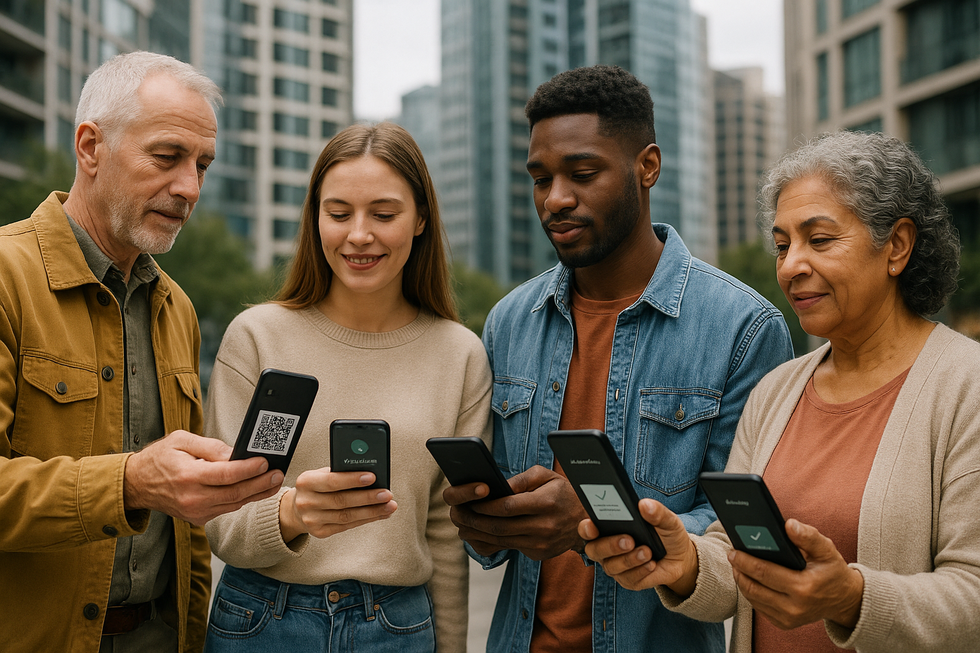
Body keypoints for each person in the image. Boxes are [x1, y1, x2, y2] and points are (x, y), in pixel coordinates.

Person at [584, 130, 980, 652]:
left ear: (898, 246)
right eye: (782, 245)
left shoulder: (965, 387)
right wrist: (685, 563)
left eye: (819, 240)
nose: (791, 265)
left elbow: (972, 594)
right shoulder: (776, 391)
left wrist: (850, 599)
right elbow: (738, 558)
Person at [443, 65, 794, 653]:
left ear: (647, 166)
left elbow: (746, 530)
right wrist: (485, 520)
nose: (555, 199)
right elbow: (496, 527)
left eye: (582, 173)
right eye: (539, 179)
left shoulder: (744, 328)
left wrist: (598, 519)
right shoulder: (508, 321)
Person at [0, 52, 285, 653]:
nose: (189, 187)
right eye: (167, 157)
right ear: (89, 147)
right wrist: (132, 481)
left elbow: (190, 535)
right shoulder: (6, 278)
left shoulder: (175, 308)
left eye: (202, 165)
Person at [203, 122, 493, 653]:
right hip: (262, 621)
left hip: (400, 629)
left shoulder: (460, 355)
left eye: (383, 214)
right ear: (315, 220)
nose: (359, 234)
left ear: (422, 218)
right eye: (338, 214)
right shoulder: (257, 338)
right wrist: (292, 514)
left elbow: (447, 532)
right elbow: (223, 523)